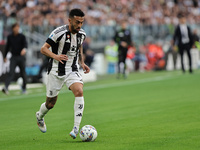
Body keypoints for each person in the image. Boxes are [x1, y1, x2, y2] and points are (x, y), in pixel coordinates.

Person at [35, 8, 90, 139]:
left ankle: (76, 128)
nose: (79, 25)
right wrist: (56, 56)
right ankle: (40, 116)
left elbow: (79, 46)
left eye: (82, 22)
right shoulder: (58, 33)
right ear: (69, 20)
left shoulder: (82, 34)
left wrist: (82, 63)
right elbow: (43, 49)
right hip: (55, 71)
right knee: (50, 104)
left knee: (79, 91)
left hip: (72, 69)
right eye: (77, 22)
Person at [2, 23, 27, 95]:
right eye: (15, 28)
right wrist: (5, 56)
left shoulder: (22, 36)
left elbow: (25, 45)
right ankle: (6, 87)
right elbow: (7, 47)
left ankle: (24, 88)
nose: (17, 29)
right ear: (13, 28)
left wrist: (24, 49)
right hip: (13, 57)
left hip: (21, 57)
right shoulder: (10, 37)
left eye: (18, 28)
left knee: (23, 73)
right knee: (11, 72)